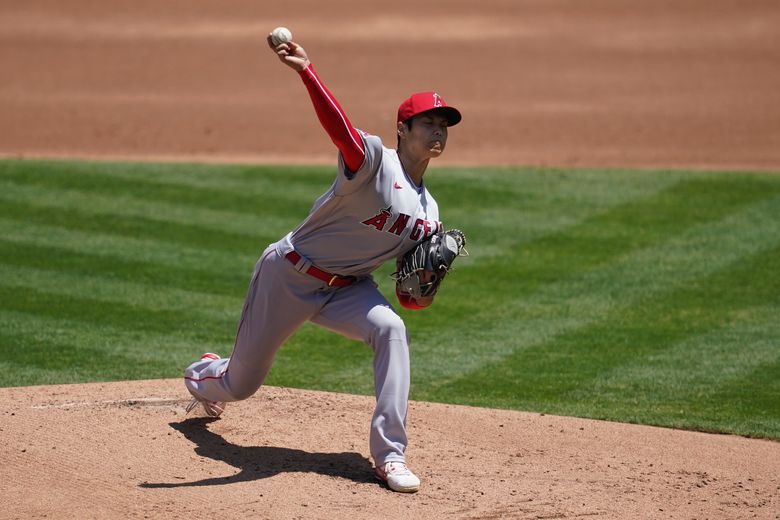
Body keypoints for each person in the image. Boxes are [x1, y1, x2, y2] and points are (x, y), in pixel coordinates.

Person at [183, 33, 462, 494]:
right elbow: (341, 130)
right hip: (289, 274)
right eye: (427, 122)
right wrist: (307, 73)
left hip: (347, 289)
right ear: (403, 130)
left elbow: (410, 299)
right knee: (239, 386)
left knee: (391, 329)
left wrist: (422, 291)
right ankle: (203, 372)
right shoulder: (374, 162)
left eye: (443, 125)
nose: (437, 130)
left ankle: (390, 456)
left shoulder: (430, 215)